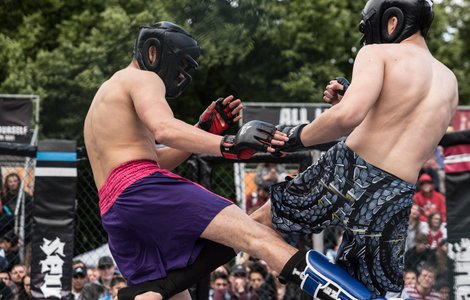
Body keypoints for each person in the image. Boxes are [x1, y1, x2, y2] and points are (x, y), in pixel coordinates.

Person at [86, 21, 371, 300]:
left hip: (115, 210)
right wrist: (228, 144)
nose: (182, 75)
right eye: (182, 65)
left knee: (159, 291)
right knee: (257, 236)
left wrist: (201, 133)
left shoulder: (103, 99)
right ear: (153, 52)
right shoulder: (142, 78)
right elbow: (164, 129)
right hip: (141, 187)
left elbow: (152, 160)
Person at [252, 0, 457, 297]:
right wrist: (349, 101)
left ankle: (174, 278)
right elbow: (402, 130)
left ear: (391, 22)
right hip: (394, 193)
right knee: (363, 290)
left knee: (257, 224)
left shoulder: (377, 52)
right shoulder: (449, 80)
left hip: (350, 170)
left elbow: (349, 117)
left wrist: (297, 137)